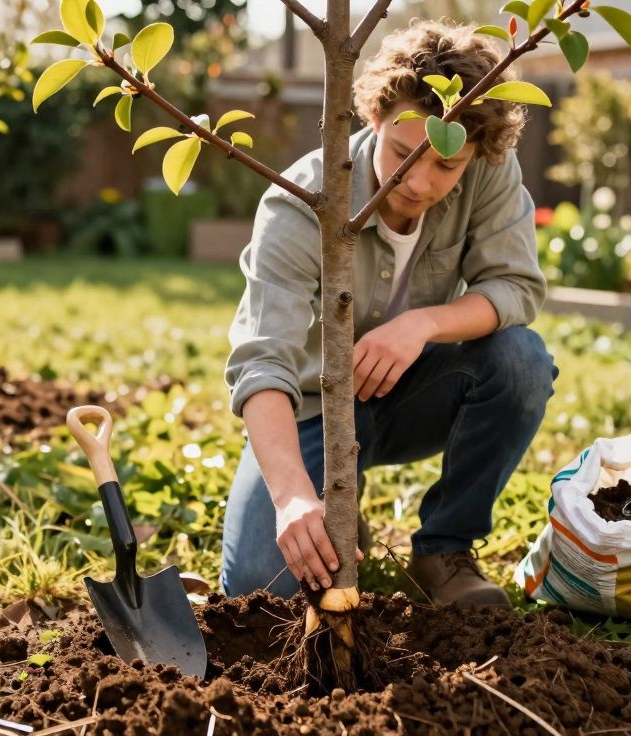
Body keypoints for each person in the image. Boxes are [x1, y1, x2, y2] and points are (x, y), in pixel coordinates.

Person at [219, 19, 557, 608]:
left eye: (446, 167)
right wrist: (294, 497)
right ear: (373, 118)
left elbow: (515, 286)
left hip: (413, 395)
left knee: (521, 361)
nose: (421, 183)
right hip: (308, 414)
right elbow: (261, 362)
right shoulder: (298, 205)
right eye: (403, 154)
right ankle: (330, 510)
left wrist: (422, 325)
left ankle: (443, 551)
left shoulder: (487, 171)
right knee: (257, 587)